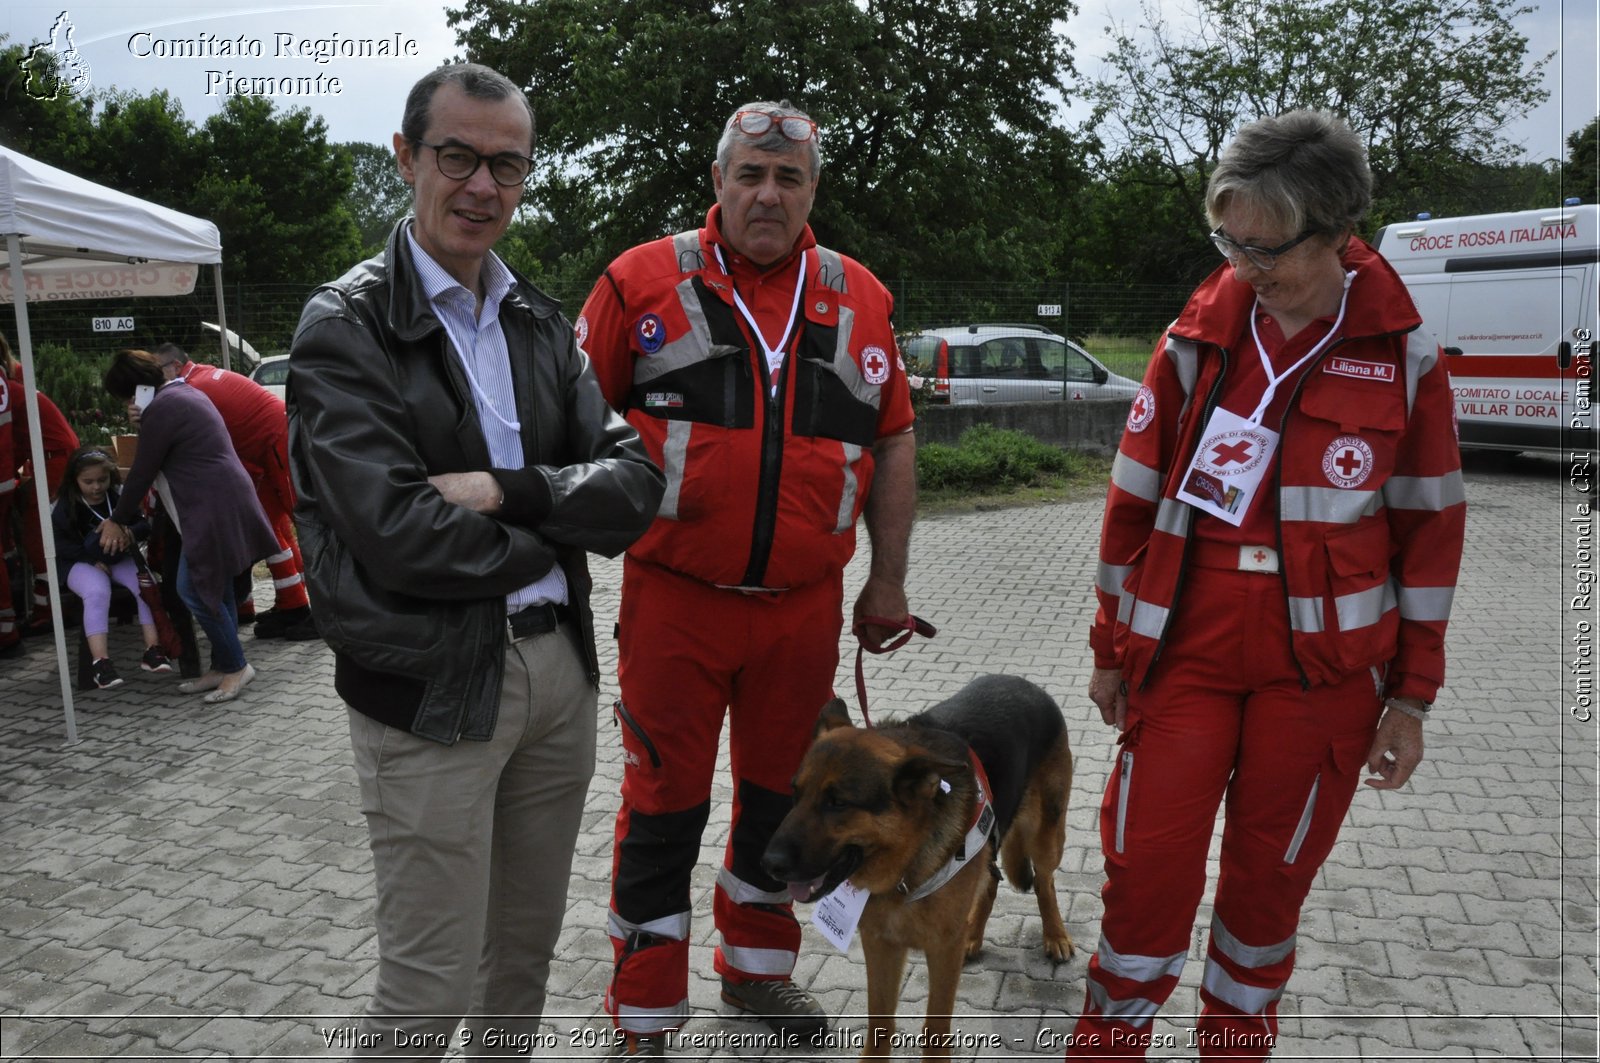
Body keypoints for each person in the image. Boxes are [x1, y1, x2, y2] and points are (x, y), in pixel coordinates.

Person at [1070, 110, 1466, 1061]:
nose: (1243, 265)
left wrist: (1410, 697)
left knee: (1264, 891)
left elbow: (1431, 537)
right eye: (1228, 240)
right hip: (1187, 655)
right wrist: (1112, 646)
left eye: (1266, 246)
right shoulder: (1193, 341)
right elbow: (1129, 509)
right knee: (1147, 871)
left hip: (1319, 679)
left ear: (1336, 233)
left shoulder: (1405, 358)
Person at [287, 62, 663, 1059]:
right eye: (457, 157)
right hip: (432, 687)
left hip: (558, 679)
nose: (483, 186)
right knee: (427, 985)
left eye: (507, 164)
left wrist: (510, 489)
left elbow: (633, 488)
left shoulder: (542, 321)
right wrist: (558, 521)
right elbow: (397, 534)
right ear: (407, 157)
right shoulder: (345, 324)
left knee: (523, 958)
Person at [577, 99, 917, 1053]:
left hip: (802, 615)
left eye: (789, 179)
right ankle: (644, 1008)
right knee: (662, 806)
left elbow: (893, 441)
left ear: (812, 190)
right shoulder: (637, 281)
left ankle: (757, 978)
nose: (768, 194)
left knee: (785, 808)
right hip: (676, 605)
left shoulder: (862, 297)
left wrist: (886, 581)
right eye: (750, 176)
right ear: (718, 182)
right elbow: (566, 435)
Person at [100, 349, 278, 704]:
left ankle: (237, 668)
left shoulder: (164, 407)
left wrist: (115, 519)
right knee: (217, 587)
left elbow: (141, 471)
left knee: (193, 589)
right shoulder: (182, 393)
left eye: (125, 397)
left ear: (135, 389)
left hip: (211, 506)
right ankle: (223, 665)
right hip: (220, 501)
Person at [151, 342, 314, 639]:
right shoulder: (198, 379)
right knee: (271, 527)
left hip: (275, 443)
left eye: (154, 372)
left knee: (305, 526)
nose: (150, 381)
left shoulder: (190, 389)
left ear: (173, 367)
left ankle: (318, 610)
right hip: (263, 448)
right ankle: (293, 604)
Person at [52, 445, 174, 687]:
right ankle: (101, 663)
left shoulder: (117, 496)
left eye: (102, 480)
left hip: (117, 557)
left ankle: (153, 650)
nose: (96, 487)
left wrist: (128, 532)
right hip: (79, 561)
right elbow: (59, 544)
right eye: (88, 482)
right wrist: (91, 560)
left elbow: (143, 525)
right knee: (97, 592)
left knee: (145, 586)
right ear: (75, 480)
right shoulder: (65, 505)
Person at [2, 335, 80, 634]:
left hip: (53, 459)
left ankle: (48, 612)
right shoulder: (14, 380)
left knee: (38, 539)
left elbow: (9, 443)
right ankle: (48, 608)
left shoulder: (8, 388)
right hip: (52, 455)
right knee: (40, 534)